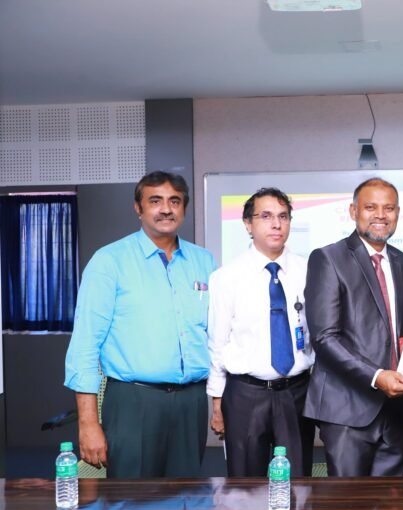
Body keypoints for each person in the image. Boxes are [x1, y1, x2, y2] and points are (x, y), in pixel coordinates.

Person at [64, 171, 217, 478]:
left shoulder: (204, 261)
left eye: (175, 201)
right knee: (132, 496)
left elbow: (215, 335)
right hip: (134, 402)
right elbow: (84, 345)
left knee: (186, 494)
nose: (166, 209)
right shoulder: (109, 261)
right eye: (155, 201)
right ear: (138, 207)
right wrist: (88, 423)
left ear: (184, 208)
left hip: (191, 403)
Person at [303, 177, 403, 477]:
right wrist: (377, 376)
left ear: (398, 213)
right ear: (353, 211)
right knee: (349, 500)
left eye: (389, 208)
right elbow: (324, 338)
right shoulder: (327, 259)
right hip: (346, 409)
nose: (381, 215)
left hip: (397, 410)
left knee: (394, 498)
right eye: (371, 207)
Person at [207, 188, 315, 477]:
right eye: (265, 216)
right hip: (245, 394)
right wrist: (217, 402)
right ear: (248, 223)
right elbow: (217, 343)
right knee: (244, 485)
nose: (276, 224)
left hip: (296, 391)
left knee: (297, 483)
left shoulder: (310, 271)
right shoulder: (226, 277)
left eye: (283, 216)